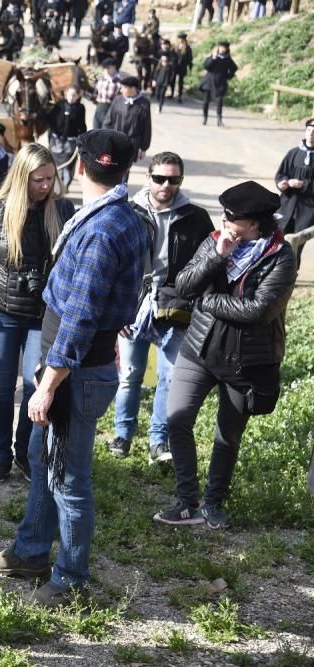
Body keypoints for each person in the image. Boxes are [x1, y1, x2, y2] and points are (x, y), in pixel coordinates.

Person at [0, 129, 150, 606]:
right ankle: (31, 551)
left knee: (70, 481)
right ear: (126, 170)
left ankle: (70, 578)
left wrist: (48, 383)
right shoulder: (127, 216)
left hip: (73, 372)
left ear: (78, 166)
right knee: (40, 459)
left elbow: (80, 315)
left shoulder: (100, 229)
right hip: (73, 365)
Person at [154, 181, 296, 529]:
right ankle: (187, 501)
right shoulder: (217, 239)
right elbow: (183, 285)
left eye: (233, 216)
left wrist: (206, 301)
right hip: (199, 349)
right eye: (225, 213)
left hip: (244, 361)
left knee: (227, 436)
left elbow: (258, 311)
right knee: (177, 419)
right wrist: (218, 256)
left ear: (256, 223)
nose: (225, 219)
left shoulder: (281, 256)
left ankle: (213, 502)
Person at [0, 144, 76, 483]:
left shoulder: (63, 209)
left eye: (50, 179)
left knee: (35, 385)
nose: (45, 186)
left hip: (43, 315)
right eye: (38, 180)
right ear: (22, 178)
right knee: (0, 387)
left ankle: (25, 452)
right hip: (2, 312)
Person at [107, 152, 214, 462]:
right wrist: (117, 309)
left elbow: (207, 267)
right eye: (160, 178)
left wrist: (196, 305)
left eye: (174, 179)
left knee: (169, 376)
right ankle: (122, 434)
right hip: (134, 305)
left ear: (181, 180)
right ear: (147, 178)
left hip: (176, 306)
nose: (166, 185)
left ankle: (158, 441)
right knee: (130, 374)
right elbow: (113, 264)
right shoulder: (128, 212)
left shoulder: (196, 217)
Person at [274, 118, 314, 266]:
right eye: (309, 130)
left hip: (307, 210)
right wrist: (283, 183)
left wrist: (304, 184)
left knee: (297, 242)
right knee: (279, 238)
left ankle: (291, 273)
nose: (311, 134)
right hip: (287, 205)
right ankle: (276, 270)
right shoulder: (293, 153)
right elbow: (280, 174)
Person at [46, 85, 87, 189]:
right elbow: (50, 120)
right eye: (70, 94)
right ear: (65, 94)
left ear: (77, 96)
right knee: (55, 164)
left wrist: (82, 139)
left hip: (71, 141)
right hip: (57, 141)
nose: (71, 97)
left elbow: (82, 125)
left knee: (68, 165)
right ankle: (55, 187)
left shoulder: (80, 108)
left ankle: (65, 186)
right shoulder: (59, 106)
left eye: (74, 95)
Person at [104, 75, 152, 162]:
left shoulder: (144, 103)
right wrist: (105, 139)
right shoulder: (117, 100)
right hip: (115, 141)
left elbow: (146, 127)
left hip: (132, 144)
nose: (121, 90)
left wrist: (144, 148)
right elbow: (108, 121)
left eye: (123, 87)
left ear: (132, 88)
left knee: (124, 170)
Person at [199, 41, 237, 127]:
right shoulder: (213, 56)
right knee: (205, 102)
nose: (222, 49)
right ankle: (205, 118)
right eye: (221, 47)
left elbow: (234, 68)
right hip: (208, 82)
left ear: (227, 49)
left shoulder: (227, 59)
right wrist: (213, 58)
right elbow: (206, 66)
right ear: (218, 48)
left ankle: (219, 120)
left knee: (219, 102)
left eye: (224, 48)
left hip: (220, 83)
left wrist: (227, 76)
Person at [93, 58, 121, 129]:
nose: (107, 70)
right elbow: (95, 95)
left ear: (114, 67)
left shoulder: (119, 81)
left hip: (111, 111)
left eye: (108, 68)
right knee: (95, 134)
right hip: (98, 110)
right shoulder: (100, 79)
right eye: (105, 68)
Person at [171, 32, 193, 104]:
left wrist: (190, 67)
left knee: (181, 82)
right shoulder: (175, 46)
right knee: (172, 80)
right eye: (179, 38)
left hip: (182, 67)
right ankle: (172, 93)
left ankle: (179, 96)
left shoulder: (187, 48)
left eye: (182, 39)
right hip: (175, 66)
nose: (180, 40)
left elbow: (190, 58)